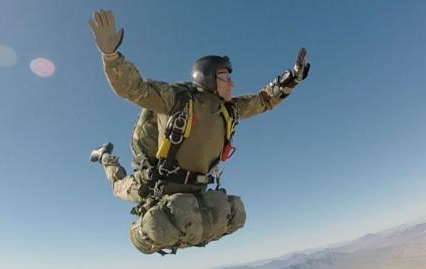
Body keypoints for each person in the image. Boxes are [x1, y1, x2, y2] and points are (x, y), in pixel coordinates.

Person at [88, 9, 310, 254]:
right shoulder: (176, 100)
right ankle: (104, 156)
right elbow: (133, 88)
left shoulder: (229, 110)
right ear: (208, 77)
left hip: (195, 190)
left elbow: (263, 101)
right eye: (225, 77)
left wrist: (291, 79)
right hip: (155, 184)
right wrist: (110, 55)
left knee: (232, 214)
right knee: (119, 186)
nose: (232, 83)